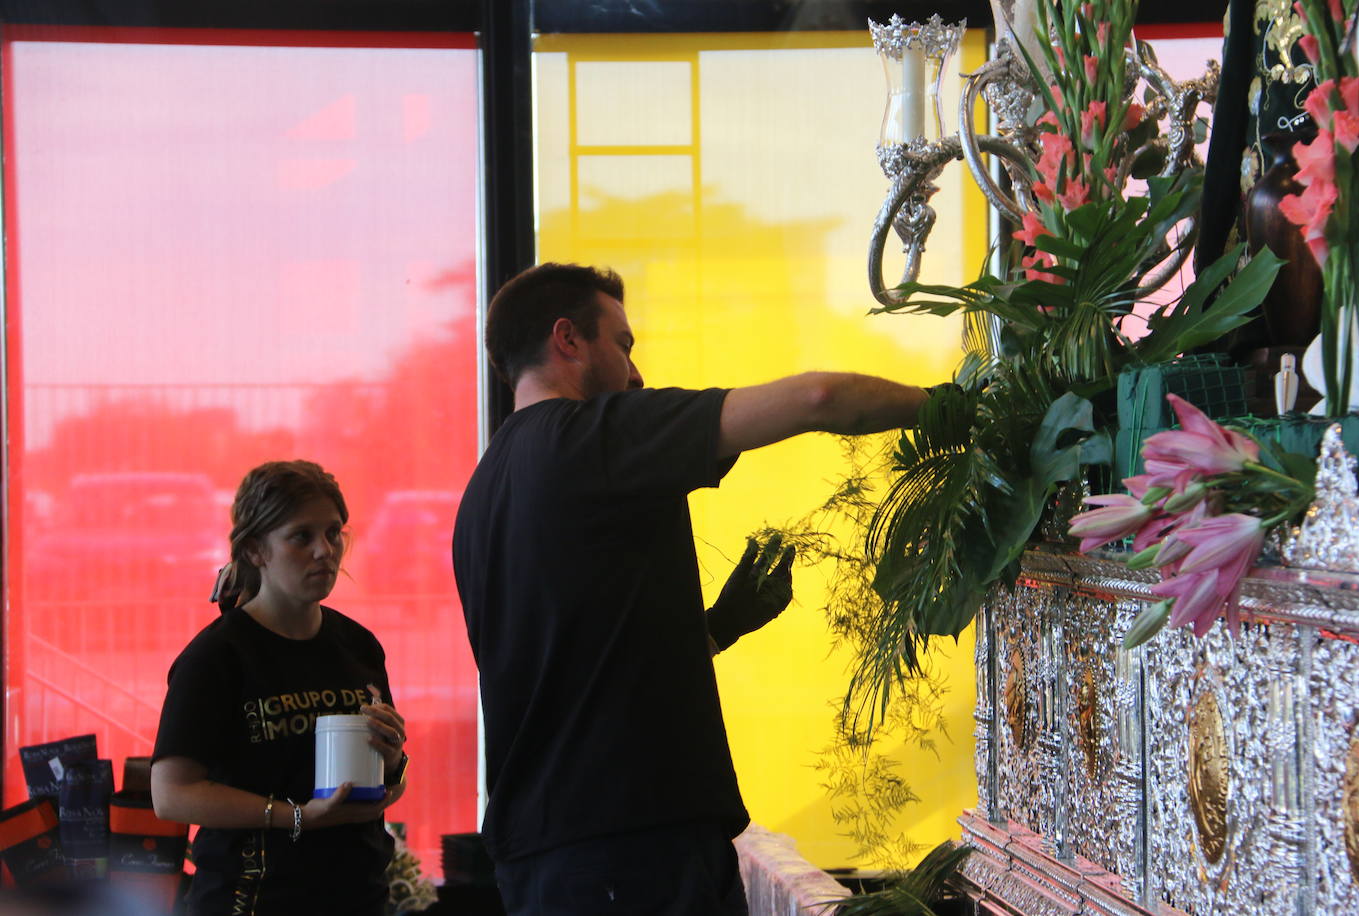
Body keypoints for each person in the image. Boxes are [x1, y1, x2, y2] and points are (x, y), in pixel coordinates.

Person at [452, 262, 930, 915]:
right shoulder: (588, 440)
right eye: (622, 344)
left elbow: (586, 666)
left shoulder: (483, 493)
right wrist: (952, 408)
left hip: (555, 855)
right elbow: (820, 398)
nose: (636, 372)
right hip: (624, 852)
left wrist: (722, 624)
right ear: (567, 339)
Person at [150, 460, 410, 916]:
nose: (324, 551)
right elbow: (171, 794)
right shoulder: (218, 657)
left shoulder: (358, 645)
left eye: (333, 533)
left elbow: (384, 784)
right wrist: (297, 816)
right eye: (301, 537)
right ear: (254, 551)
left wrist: (391, 762)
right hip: (255, 899)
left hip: (359, 895)